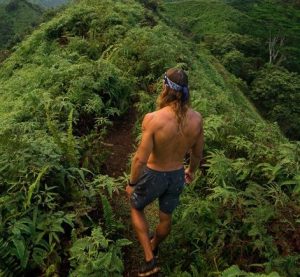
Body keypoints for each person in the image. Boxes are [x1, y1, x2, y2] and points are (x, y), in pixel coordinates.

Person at [126, 68, 204, 276]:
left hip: (154, 175)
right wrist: (191, 171)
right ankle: (154, 244)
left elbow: (140, 159)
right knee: (165, 219)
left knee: (135, 206)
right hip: (177, 176)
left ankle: (149, 259)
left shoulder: (154, 119)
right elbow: (197, 155)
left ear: (165, 88)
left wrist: (132, 183)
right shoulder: (197, 119)